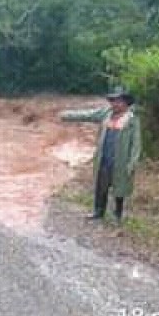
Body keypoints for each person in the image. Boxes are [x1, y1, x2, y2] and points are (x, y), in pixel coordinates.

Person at [59, 87, 142, 222]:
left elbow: (136, 144)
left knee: (119, 187)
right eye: (113, 101)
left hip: (121, 159)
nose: (115, 104)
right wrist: (65, 115)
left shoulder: (132, 120)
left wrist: (132, 162)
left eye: (118, 101)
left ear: (126, 103)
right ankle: (98, 212)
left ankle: (117, 215)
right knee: (101, 186)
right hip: (104, 157)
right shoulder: (106, 114)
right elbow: (86, 115)